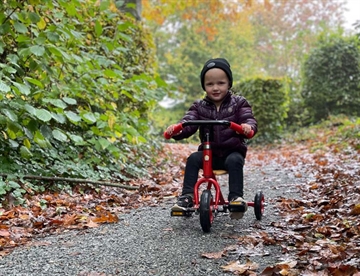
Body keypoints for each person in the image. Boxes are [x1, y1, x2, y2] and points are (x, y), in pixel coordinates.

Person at [165, 58, 258, 219]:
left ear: (229, 83)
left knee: (236, 160)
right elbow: (188, 123)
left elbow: (248, 119)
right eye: (210, 84)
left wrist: (247, 127)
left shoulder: (238, 103)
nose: (215, 88)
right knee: (193, 159)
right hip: (210, 155)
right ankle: (187, 196)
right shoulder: (199, 106)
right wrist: (176, 130)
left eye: (221, 83)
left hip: (231, 152)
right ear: (204, 86)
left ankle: (236, 198)